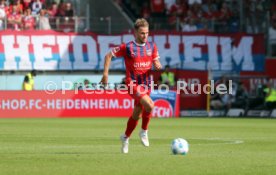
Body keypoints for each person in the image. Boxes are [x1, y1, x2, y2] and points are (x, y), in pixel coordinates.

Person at [100, 18, 162, 154]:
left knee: (137, 113)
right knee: (150, 105)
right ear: (135, 33)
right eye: (142, 33)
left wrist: (157, 64)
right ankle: (144, 131)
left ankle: (125, 137)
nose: (145, 36)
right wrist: (105, 74)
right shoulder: (127, 47)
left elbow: (156, 60)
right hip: (132, 83)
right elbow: (108, 55)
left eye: (146, 33)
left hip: (146, 84)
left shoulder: (152, 46)